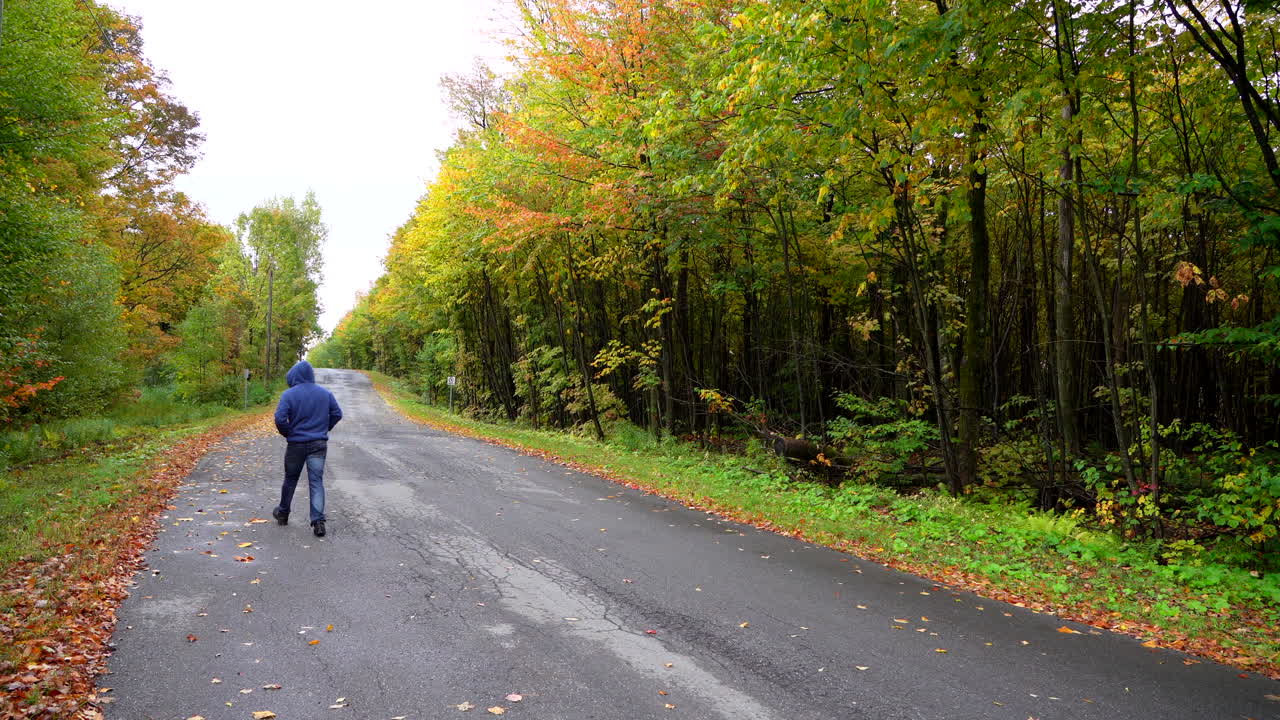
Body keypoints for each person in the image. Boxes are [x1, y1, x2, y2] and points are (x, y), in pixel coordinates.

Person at [272, 360, 343, 537]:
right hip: (318, 444)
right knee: (316, 482)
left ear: (294, 376)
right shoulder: (325, 394)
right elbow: (337, 414)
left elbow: (280, 419)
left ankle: (283, 514)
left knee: (290, 479)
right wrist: (323, 429)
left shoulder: (289, 395)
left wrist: (289, 433)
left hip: (296, 445)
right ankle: (318, 522)